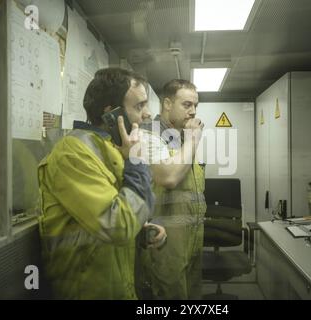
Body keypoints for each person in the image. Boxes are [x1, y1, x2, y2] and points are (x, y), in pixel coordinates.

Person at [37, 67, 166, 299]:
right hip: (86, 289)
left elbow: (113, 211)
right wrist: (137, 161)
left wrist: (141, 230)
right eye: (139, 106)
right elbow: (118, 226)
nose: (147, 114)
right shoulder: (73, 153)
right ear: (111, 113)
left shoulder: (113, 149)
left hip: (115, 284)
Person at [138, 79, 206, 300]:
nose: (193, 111)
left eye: (195, 106)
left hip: (191, 238)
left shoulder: (182, 138)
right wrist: (193, 141)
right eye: (186, 105)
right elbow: (168, 178)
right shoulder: (148, 134)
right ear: (167, 103)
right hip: (164, 242)